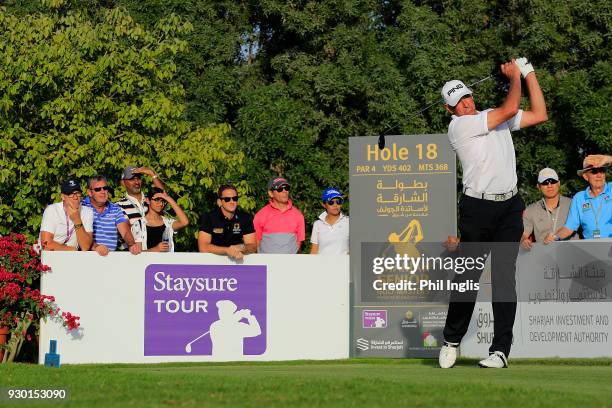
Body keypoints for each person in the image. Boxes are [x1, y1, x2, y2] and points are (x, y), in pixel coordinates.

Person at [439, 57, 548, 369]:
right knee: (468, 277)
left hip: (509, 207)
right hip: (477, 208)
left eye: (468, 96)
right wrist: (514, 76)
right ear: (450, 109)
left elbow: (541, 114)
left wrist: (529, 73)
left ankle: (500, 350)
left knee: (503, 279)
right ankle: (451, 339)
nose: (467, 103)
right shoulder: (459, 127)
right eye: (459, 101)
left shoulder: (491, 116)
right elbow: (511, 108)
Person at [544, 155, 612, 243]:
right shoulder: (579, 198)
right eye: (594, 171)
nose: (599, 175)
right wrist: (555, 237)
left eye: (602, 171)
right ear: (586, 176)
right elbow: (569, 227)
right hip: (591, 249)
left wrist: (609, 159)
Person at [82, 175, 141, 256]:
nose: (103, 191)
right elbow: (79, 234)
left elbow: (125, 232)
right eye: (98, 189)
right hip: (85, 256)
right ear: (89, 192)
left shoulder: (115, 209)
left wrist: (131, 244)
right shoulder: (81, 207)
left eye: (105, 188)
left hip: (110, 257)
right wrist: (95, 247)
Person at [520, 168, 576, 250]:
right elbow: (524, 234)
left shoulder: (574, 204)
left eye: (552, 181)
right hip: (544, 256)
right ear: (538, 187)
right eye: (545, 183)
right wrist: (523, 240)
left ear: (559, 183)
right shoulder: (530, 210)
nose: (549, 185)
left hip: (572, 253)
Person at [198, 184, 257, 260]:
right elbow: (203, 247)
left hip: (237, 262)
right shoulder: (209, 218)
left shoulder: (245, 218)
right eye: (227, 199)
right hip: (212, 263)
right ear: (219, 202)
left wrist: (241, 247)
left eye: (235, 198)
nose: (232, 202)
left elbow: (253, 246)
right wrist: (227, 250)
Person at [115, 166, 165, 248]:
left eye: (138, 178)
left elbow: (164, 196)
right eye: (132, 179)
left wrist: (152, 174)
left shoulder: (151, 200)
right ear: (123, 183)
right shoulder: (118, 206)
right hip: (132, 255)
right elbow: (126, 232)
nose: (136, 182)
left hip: (158, 252)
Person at [254, 177, 305, 254]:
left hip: (290, 263)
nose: (284, 191)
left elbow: (299, 242)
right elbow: (256, 242)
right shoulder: (260, 215)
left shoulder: (298, 215)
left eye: (286, 188)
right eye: (280, 189)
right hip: (267, 263)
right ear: (271, 193)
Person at [39, 179, 93, 251]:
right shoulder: (52, 210)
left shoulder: (87, 211)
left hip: (72, 258)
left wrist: (77, 220)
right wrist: (72, 250)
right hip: (50, 256)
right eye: (71, 194)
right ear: (63, 196)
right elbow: (46, 244)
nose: (75, 197)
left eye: (78, 193)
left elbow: (85, 247)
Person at [130, 188, 190, 252]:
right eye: (157, 200)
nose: (161, 204)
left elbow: (185, 222)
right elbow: (138, 254)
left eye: (163, 200)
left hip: (166, 262)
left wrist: (169, 199)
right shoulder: (138, 224)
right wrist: (156, 249)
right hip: (149, 262)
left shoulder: (168, 222)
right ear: (147, 200)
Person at [310, 188, 349, 255]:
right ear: (324, 204)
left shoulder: (349, 222)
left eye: (338, 202)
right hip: (321, 264)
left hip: (343, 264)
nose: (335, 205)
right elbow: (314, 251)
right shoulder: (317, 224)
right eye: (331, 202)